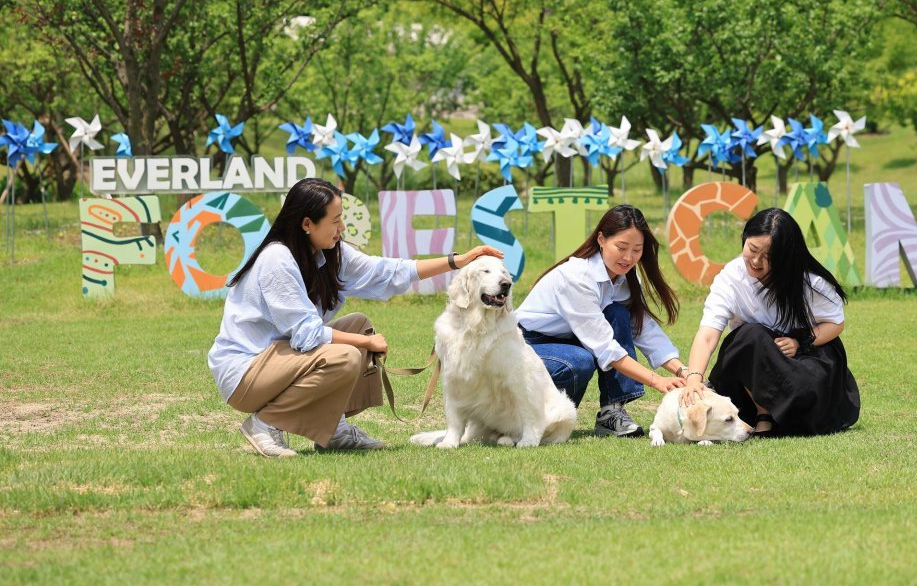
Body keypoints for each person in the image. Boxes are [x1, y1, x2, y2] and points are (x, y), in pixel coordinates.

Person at [208, 177, 502, 457]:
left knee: (359, 324)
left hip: (280, 362)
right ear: (307, 224)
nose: (342, 227)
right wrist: (365, 343)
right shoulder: (277, 259)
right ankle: (266, 423)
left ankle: (333, 430)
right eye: (335, 221)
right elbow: (306, 334)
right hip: (246, 373)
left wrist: (456, 261)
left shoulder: (329, 253)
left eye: (341, 218)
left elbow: (387, 272)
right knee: (346, 355)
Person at [681, 208, 860, 437]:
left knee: (800, 391)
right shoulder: (731, 278)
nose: (756, 261)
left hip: (804, 360)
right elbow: (707, 334)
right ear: (744, 240)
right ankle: (763, 414)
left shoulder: (810, 282)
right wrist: (694, 379)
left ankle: (781, 416)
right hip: (753, 372)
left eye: (768, 257)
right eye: (752, 249)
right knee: (749, 336)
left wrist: (799, 342)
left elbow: (835, 324)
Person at [516, 204, 687, 438]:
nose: (628, 257)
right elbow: (605, 347)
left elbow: (643, 327)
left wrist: (682, 370)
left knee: (618, 313)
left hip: (567, 339)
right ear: (601, 239)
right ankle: (533, 418)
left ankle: (611, 412)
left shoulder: (624, 276)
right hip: (526, 345)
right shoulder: (577, 278)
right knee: (579, 361)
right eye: (621, 247)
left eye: (637, 250)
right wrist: (657, 381)